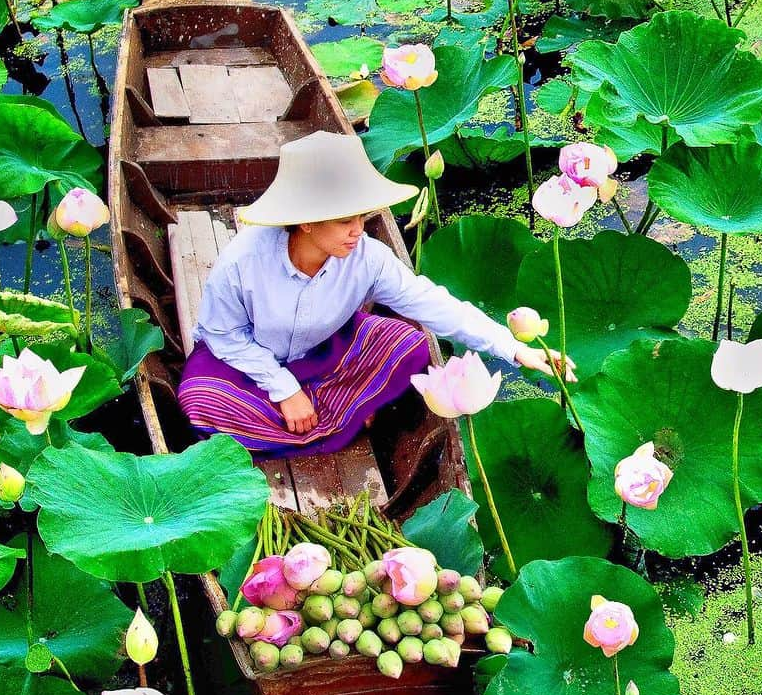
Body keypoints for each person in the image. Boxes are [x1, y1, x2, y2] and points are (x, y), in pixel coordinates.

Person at [178, 131, 570, 458]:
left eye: (363, 218)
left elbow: (432, 304)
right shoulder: (242, 262)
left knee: (410, 345)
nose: (358, 231)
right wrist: (284, 388)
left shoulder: (368, 258)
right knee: (200, 401)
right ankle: (339, 414)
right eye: (345, 220)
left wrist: (514, 348)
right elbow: (222, 335)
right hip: (246, 363)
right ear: (306, 223)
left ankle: (314, 418)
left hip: (324, 355)